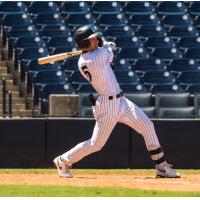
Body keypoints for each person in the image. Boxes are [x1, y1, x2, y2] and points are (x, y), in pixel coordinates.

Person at [53, 25, 181, 179]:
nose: (96, 39)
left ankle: (161, 166)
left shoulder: (84, 59)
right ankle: (63, 160)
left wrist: (103, 46)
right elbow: (111, 53)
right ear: (85, 43)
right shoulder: (97, 56)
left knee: (147, 125)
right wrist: (107, 45)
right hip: (108, 106)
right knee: (96, 144)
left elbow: (109, 59)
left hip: (121, 101)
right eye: (92, 38)